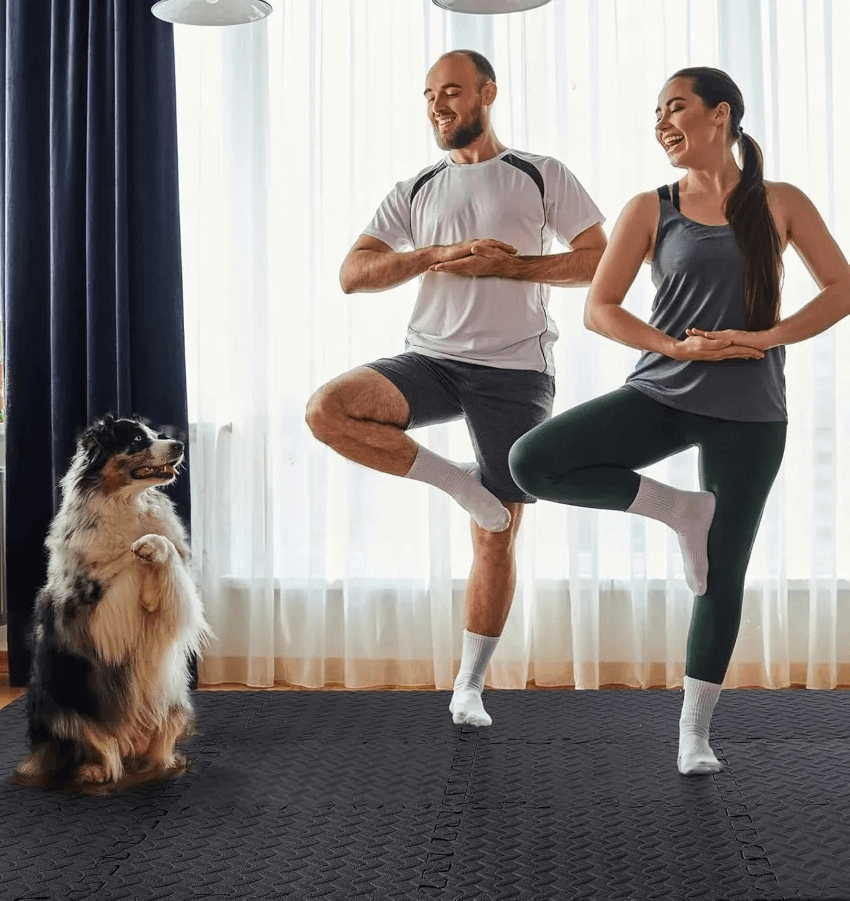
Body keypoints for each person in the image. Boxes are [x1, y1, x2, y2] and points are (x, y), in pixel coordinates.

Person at [509, 66, 850, 774]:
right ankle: (679, 510)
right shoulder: (650, 207)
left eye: (676, 107)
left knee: (722, 572)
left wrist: (765, 338)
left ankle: (695, 736)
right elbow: (599, 309)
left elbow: (841, 287)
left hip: (752, 411)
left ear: (720, 114)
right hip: (664, 391)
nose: (662, 123)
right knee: (532, 461)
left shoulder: (780, 201)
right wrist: (675, 347)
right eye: (657, 113)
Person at [305, 49, 608, 727]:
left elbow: (598, 260)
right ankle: (459, 484)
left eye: (451, 91)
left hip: (516, 370)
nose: (437, 105)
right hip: (431, 359)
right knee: (328, 410)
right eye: (429, 95)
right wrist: (437, 255)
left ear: (487, 94)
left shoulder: (540, 172)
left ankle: (468, 686)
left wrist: (512, 270)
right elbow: (353, 274)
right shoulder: (416, 187)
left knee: (496, 535)